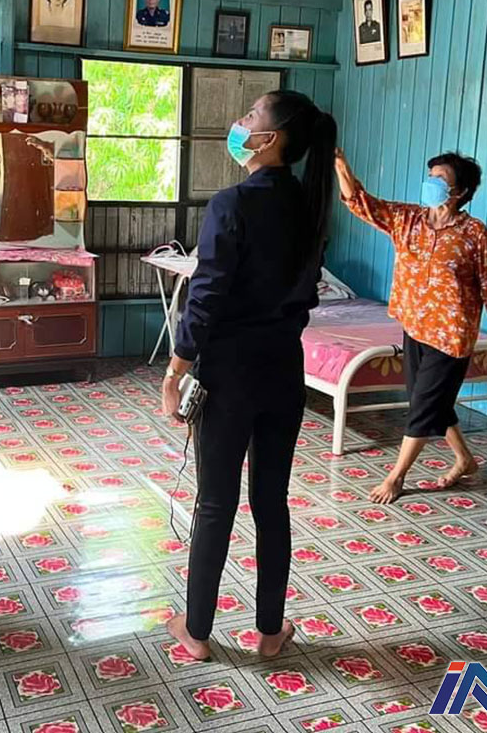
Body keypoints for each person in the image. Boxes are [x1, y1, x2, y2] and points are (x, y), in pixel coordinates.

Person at [161, 90, 336, 661]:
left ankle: (196, 632)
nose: (240, 122)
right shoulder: (310, 206)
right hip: (284, 371)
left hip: (228, 375)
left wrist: (176, 368)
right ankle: (269, 632)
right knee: (271, 502)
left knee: (215, 503)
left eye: (251, 115)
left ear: (271, 138)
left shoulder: (231, 204)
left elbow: (206, 294)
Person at [335, 150, 487, 504]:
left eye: (441, 179)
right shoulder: (408, 219)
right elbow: (361, 203)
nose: (431, 184)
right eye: (431, 177)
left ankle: (396, 476)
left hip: (452, 336)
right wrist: (340, 164)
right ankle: (465, 460)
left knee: (423, 406)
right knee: (429, 401)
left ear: (460, 191)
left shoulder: (474, 234)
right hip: (414, 327)